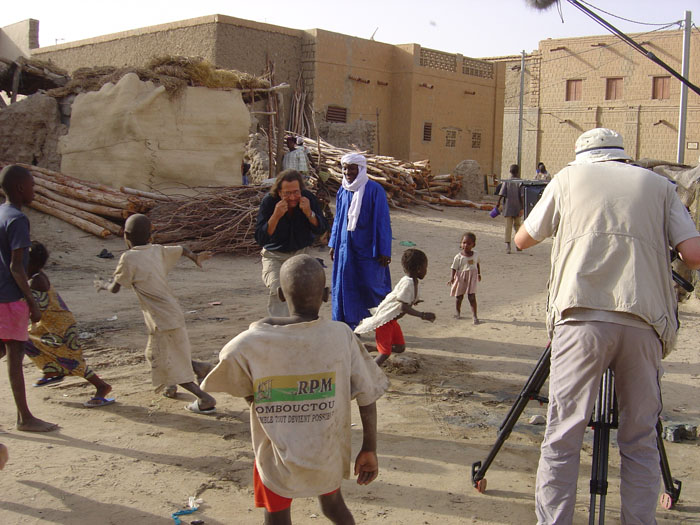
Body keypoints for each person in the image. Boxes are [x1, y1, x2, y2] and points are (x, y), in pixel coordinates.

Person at [514, 128, 700, 525]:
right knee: (640, 439)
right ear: (622, 156)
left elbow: (523, 239)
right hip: (644, 320)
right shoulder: (660, 186)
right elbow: (693, 255)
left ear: (583, 158)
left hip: (580, 318)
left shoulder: (566, 179)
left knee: (563, 436)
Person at [201, 254, 388, 524]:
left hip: (277, 457)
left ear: (279, 294)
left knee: (276, 517)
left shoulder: (251, 342)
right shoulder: (340, 336)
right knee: (333, 507)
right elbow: (367, 393)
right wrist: (369, 447)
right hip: (325, 453)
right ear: (326, 295)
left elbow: (236, 377)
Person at [94, 214, 217, 413]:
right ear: (151, 236)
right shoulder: (157, 250)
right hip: (172, 312)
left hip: (161, 319)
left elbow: (116, 288)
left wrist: (102, 284)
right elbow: (182, 249)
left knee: (165, 360)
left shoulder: (129, 257)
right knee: (161, 354)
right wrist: (195, 257)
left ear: (125, 235)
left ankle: (205, 399)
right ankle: (195, 369)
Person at [0, 164, 57, 432]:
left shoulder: (1, 213)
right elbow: (16, 266)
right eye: (32, 185)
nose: (35, 190)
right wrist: (32, 303)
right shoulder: (19, 219)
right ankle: (24, 417)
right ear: (21, 188)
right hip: (10, 298)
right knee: (14, 357)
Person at [24, 241, 114, 407]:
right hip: (49, 325)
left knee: (71, 360)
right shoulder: (35, 276)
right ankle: (51, 369)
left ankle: (102, 387)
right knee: (25, 341)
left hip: (60, 326)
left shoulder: (36, 281)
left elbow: (34, 310)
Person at [329, 153, 392, 329]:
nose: (348, 172)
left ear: (361, 169)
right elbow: (338, 218)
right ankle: (348, 325)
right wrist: (333, 243)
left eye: (352, 168)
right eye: (345, 168)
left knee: (372, 285)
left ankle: (382, 325)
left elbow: (382, 220)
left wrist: (384, 249)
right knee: (345, 283)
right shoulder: (343, 190)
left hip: (368, 248)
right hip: (345, 247)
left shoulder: (374, 190)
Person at [255, 170, 328, 316]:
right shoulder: (269, 202)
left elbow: (321, 228)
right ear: (279, 192)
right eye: (287, 193)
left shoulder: (308, 199)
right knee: (279, 290)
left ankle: (302, 325)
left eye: (296, 192)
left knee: (303, 290)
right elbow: (260, 238)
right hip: (274, 256)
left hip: (300, 255)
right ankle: (281, 328)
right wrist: (275, 216)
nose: (292, 197)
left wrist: (309, 213)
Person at [355, 249, 436, 366]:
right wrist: (422, 315)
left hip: (392, 321)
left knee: (399, 347)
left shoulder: (412, 281)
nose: (426, 270)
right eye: (425, 267)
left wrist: (414, 301)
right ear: (418, 268)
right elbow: (403, 306)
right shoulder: (408, 283)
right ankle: (369, 372)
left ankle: (371, 348)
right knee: (385, 354)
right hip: (385, 321)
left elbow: (404, 298)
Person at [448, 232, 481, 323]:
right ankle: (457, 312)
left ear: (473, 244)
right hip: (461, 278)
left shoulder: (476, 254)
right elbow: (454, 268)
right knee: (459, 297)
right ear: (461, 243)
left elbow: (477, 264)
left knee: (472, 297)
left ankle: (475, 316)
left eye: (469, 243)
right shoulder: (458, 257)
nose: (466, 245)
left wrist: (479, 274)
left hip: (472, 277)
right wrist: (452, 278)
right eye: (464, 243)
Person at [496, 164, 524, 254]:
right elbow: (522, 196)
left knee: (508, 227)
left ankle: (508, 246)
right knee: (517, 227)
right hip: (518, 207)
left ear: (510, 171)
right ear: (518, 172)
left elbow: (502, 193)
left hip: (508, 207)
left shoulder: (507, 181)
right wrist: (523, 207)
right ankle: (518, 244)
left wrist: (498, 202)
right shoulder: (520, 182)